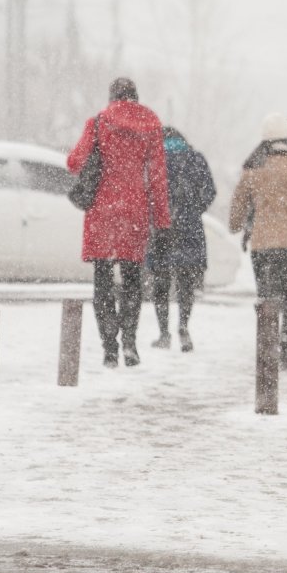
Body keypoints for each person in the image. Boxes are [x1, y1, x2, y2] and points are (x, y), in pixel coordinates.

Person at [68, 77, 170, 369]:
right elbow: (158, 178)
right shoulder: (151, 126)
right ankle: (129, 343)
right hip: (135, 211)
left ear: (112, 97)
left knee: (102, 281)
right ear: (136, 97)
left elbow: (75, 162)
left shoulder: (98, 122)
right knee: (132, 281)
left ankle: (109, 348)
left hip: (103, 210)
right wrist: (162, 220)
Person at [230, 113, 287, 369]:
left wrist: (237, 225)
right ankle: (286, 343)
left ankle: (269, 346)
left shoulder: (253, 171)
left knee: (268, 298)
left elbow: (237, 213)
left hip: (264, 245)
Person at [147, 126, 217, 353]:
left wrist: (156, 213)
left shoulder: (155, 159)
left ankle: (164, 332)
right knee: (186, 281)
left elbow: (147, 191)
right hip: (190, 227)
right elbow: (210, 192)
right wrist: (193, 210)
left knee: (161, 281)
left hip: (162, 227)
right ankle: (184, 327)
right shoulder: (195, 158)